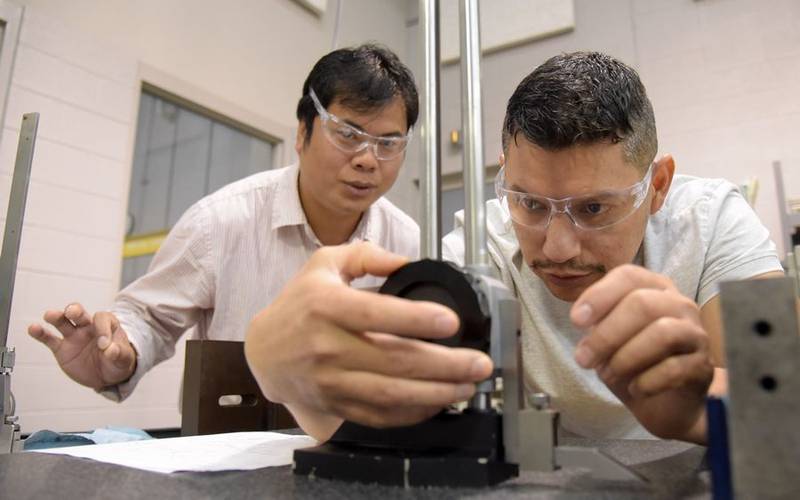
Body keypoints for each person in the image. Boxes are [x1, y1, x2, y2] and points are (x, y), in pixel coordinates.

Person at [244, 51, 783, 444]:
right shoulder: (483, 246)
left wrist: (693, 416)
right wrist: (280, 368)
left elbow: (786, 401)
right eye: (529, 203)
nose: (558, 245)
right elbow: (386, 423)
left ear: (658, 185)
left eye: (595, 208)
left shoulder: (717, 221)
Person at [27, 43, 422, 402]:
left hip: (358, 451)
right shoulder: (221, 222)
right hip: (230, 454)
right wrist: (118, 354)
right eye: (348, 135)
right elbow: (149, 317)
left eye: (388, 144)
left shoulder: (404, 239)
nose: (368, 159)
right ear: (302, 132)